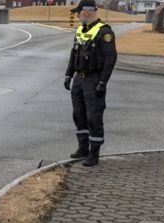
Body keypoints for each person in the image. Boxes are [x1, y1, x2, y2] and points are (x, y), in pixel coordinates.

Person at [64, 0, 117, 166]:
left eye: (79, 12)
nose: (78, 15)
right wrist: (68, 75)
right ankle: (83, 148)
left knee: (93, 117)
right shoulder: (80, 30)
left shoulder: (104, 32)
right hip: (79, 79)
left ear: (87, 12)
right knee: (78, 115)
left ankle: (94, 153)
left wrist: (103, 82)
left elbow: (111, 58)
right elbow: (74, 55)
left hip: (94, 79)